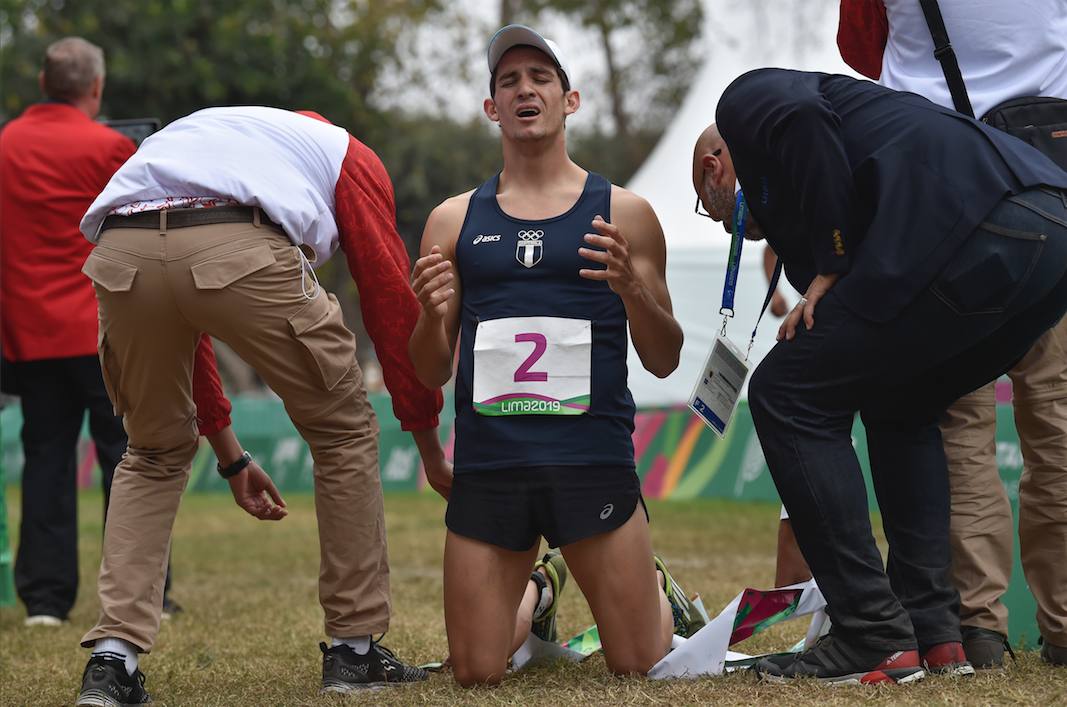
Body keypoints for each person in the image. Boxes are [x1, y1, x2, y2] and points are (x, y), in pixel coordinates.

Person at [692, 68, 1067, 684]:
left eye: (708, 210)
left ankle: (870, 632)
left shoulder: (745, 103)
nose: (722, 223)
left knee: (784, 393)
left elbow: (803, 120)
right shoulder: (818, 189)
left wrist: (834, 258)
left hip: (983, 218)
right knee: (903, 401)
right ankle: (933, 631)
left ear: (714, 167)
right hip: (1048, 234)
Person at [71, 105, 451, 706]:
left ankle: (113, 661)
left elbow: (186, 317)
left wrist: (229, 455)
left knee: (151, 453)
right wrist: (428, 440)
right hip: (238, 241)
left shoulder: (194, 136)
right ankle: (354, 653)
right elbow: (387, 295)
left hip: (122, 253)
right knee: (344, 431)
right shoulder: (345, 153)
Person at [409, 25, 699, 686]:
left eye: (539, 77)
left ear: (569, 100)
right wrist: (431, 314)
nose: (524, 90)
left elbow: (663, 356)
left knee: (637, 664)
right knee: (475, 671)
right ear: (491, 109)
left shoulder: (624, 213)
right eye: (507, 81)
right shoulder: (453, 221)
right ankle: (540, 590)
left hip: (590, 461)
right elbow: (428, 368)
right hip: (491, 464)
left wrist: (632, 291)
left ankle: (653, 587)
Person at [838, 0, 1067, 670]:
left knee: (957, 424)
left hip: (939, 191)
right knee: (1056, 418)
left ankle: (977, 625)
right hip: (1052, 184)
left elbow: (861, 51)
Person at [0, 36, 190, 626]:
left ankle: (46, 602)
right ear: (96, 88)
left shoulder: (4, 145)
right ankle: (147, 592)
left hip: (28, 333)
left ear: (41, 82)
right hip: (105, 330)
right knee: (132, 460)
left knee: (45, 459)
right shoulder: (110, 147)